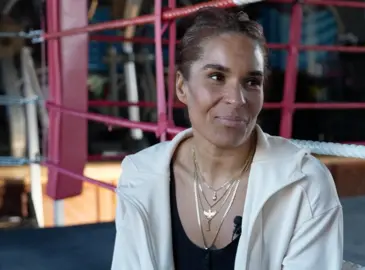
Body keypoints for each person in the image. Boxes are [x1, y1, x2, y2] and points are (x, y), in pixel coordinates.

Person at [111, 7, 343, 270]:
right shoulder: (140, 175)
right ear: (181, 87)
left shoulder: (304, 184)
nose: (237, 98)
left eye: (252, 82)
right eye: (216, 77)